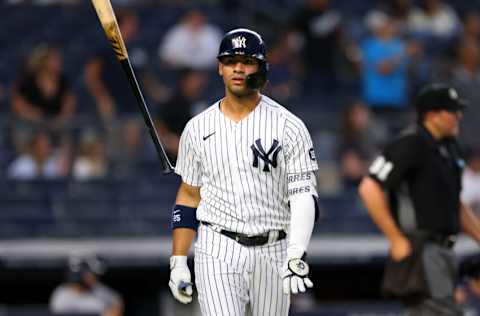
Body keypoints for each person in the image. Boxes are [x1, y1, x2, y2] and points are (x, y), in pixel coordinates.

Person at [168, 28, 319, 316]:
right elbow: (188, 196)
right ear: (219, 68)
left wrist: (296, 254)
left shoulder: (290, 126)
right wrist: (178, 261)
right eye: (230, 60)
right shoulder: (197, 128)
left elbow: (303, 196)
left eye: (247, 61)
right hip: (218, 247)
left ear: (262, 69)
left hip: (275, 248)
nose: (238, 68)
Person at [358, 83, 480, 315]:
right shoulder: (411, 142)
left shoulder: (449, 148)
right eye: (452, 111)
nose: (459, 116)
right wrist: (395, 238)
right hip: (422, 249)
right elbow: (369, 187)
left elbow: (456, 202)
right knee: (441, 311)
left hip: (445, 249)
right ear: (432, 115)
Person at [50, 253, 123, 316]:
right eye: (86, 274)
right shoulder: (62, 294)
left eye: (92, 274)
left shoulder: (98, 290)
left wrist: (113, 311)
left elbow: (116, 301)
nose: (90, 277)